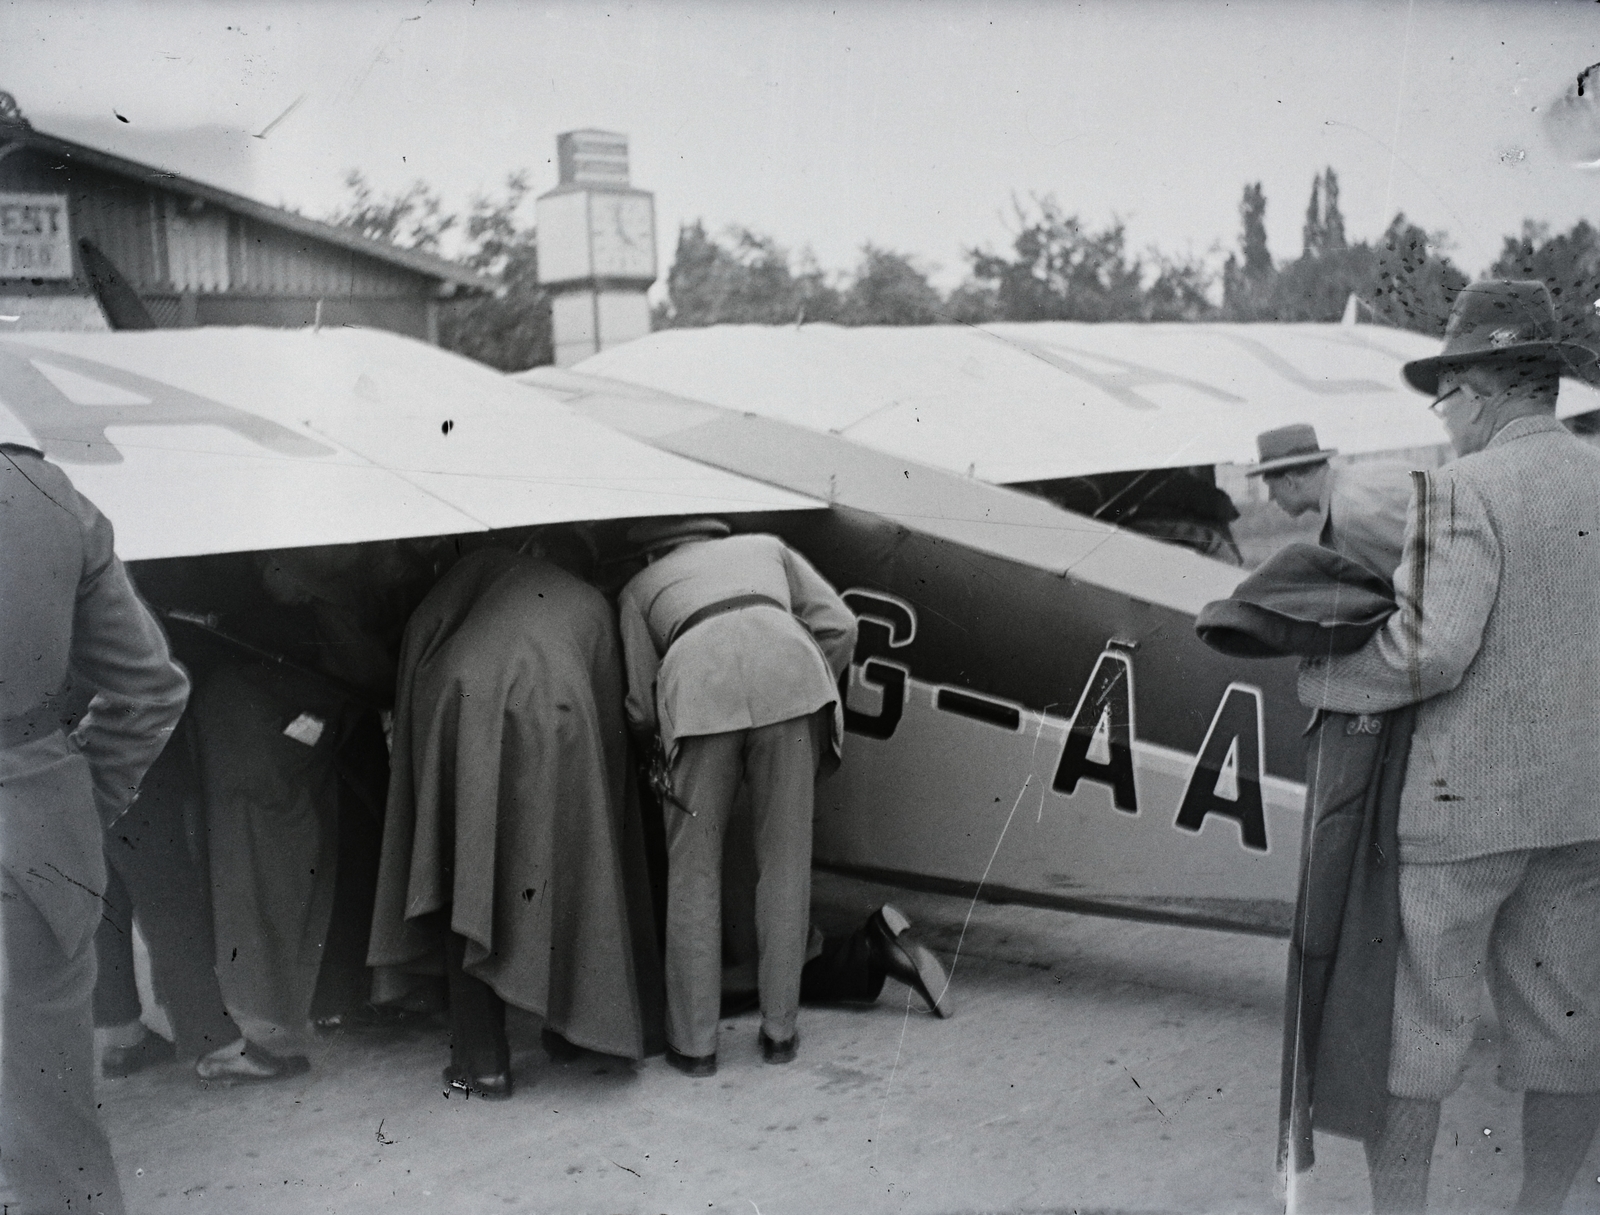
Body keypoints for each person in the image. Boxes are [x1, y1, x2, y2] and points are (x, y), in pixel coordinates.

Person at [1297, 280, 1600, 1214]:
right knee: (1567, 1031)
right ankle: (1540, 1210)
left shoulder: (1462, 489)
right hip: (1584, 808)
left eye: (1447, 396)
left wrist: (1324, 678)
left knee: (1416, 1037)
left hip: (1462, 814)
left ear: (1479, 386)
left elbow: (1432, 646)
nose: (1448, 418)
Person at [368, 534, 664, 1099]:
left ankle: (483, 1063)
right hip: (560, 713)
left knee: (464, 879)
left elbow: (416, 647)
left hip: (461, 704)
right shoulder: (592, 602)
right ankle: (576, 1031)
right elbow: (613, 734)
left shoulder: (476, 574)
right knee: (575, 863)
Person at [0, 436, 189, 1214]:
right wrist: (72, 806)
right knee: (56, 1142)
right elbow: (150, 690)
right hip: (33, 844)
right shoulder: (43, 491)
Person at [618, 517, 857, 1075]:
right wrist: (805, 679)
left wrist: (655, 745)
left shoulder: (638, 588)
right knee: (786, 865)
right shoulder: (766, 548)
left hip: (697, 691)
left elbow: (639, 707)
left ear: (655, 549)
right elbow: (841, 626)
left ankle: (696, 1047)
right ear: (713, 532)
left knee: (694, 873)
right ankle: (780, 1033)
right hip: (793, 675)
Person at [188, 544, 416, 1075]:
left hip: (247, 735)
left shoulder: (248, 599)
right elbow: (374, 678)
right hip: (282, 744)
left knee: (259, 871)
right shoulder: (323, 603)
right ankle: (330, 1002)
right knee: (311, 867)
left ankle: (295, 1002)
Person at [1248, 424, 1414, 580]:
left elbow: (1426, 570)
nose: (1271, 497)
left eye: (1270, 487)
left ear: (1289, 482)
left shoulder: (1348, 510)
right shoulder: (1353, 480)